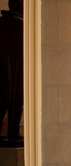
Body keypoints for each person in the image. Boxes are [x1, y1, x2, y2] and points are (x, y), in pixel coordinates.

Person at [0, 0, 23, 142]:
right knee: (15, 102)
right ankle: (12, 132)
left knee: (2, 103)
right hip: (16, 73)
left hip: (3, 74)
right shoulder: (22, 25)